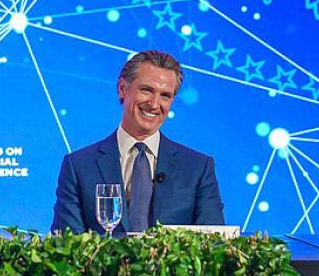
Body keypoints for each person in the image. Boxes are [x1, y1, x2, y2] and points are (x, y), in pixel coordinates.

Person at [50, 50, 224, 234]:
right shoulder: (79, 166)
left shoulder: (197, 168)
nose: (154, 104)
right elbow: (66, 246)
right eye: (146, 90)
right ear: (122, 89)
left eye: (165, 95)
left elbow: (214, 246)